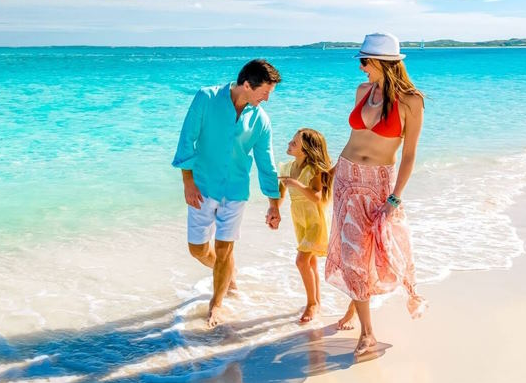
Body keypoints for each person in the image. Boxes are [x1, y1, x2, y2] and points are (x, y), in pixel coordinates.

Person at [325, 33, 427, 356]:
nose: (361, 68)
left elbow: (409, 155)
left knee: (377, 256)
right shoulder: (362, 92)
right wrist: (331, 173)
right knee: (353, 256)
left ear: (383, 63)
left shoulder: (411, 102)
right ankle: (367, 333)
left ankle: (361, 319)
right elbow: (352, 138)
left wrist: (395, 198)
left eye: (365, 62)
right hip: (346, 178)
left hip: (378, 185)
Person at [172, 59, 283, 327]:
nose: (267, 99)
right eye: (264, 93)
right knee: (198, 250)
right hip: (202, 187)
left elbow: (266, 163)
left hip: (235, 191)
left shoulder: (260, 120)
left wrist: (274, 204)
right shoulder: (206, 98)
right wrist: (187, 181)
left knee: (224, 248)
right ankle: (227, 273)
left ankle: (216, 304)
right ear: (247, 85)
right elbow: (187, 139)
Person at [278, 128, 334, 324]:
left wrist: (298, 185)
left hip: (315, 222)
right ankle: (317, 301)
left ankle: (312, 303)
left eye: (294, 143)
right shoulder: (286, 168)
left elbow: (317, 197)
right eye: (291, 141)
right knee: (310, 263)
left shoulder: (313, 170)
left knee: (301, 261)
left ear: (306, 150)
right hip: (300, 221)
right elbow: (280, 194)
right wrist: (274, 211)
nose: (289, 144)